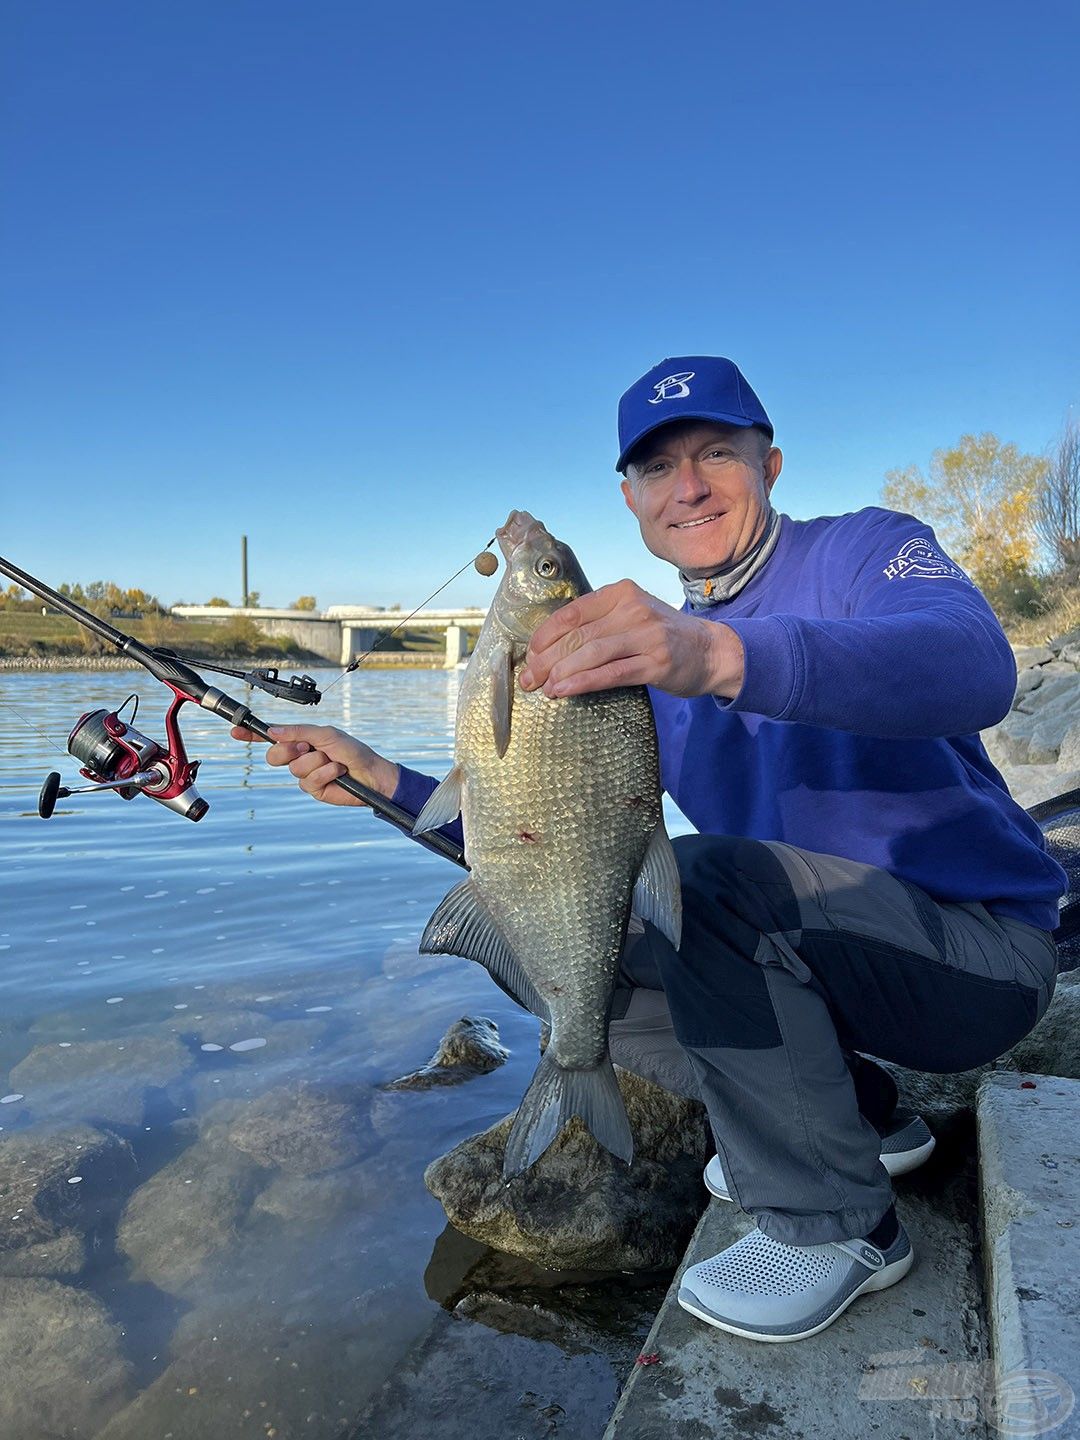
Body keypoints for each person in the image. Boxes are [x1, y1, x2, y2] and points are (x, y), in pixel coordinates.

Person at [232, 356, 1065, 1344]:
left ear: (772, 463)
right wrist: (375, 777)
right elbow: (542, 837)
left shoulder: (861, 553)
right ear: (629, 498)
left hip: (979, 960)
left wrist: (717, 656)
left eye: (718, 452)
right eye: (658, 467)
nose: (690, 485)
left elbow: (975, 668)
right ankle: (861, 1119)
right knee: (553, 945)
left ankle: (839, 1229)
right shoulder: (637, 666)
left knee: (709, 879)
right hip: (837, 961)